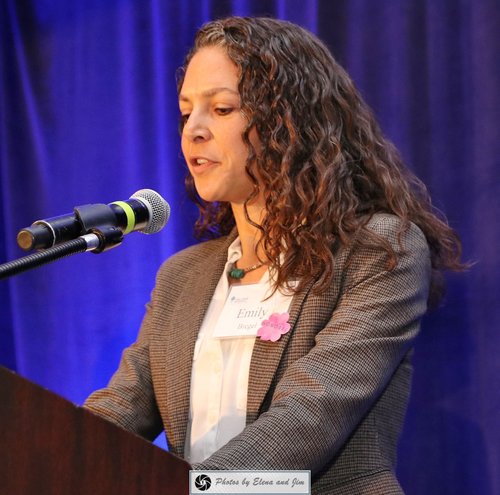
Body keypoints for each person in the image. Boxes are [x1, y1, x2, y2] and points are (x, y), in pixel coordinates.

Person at [84, 16, 464, 494]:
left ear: (291, 122)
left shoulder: (380, 251)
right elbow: (121, 408)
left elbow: (308, 418)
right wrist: (47, 454)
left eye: (221, 109)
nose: (193, 131)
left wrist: (190, 490)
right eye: (186, 112)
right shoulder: (183, 275)